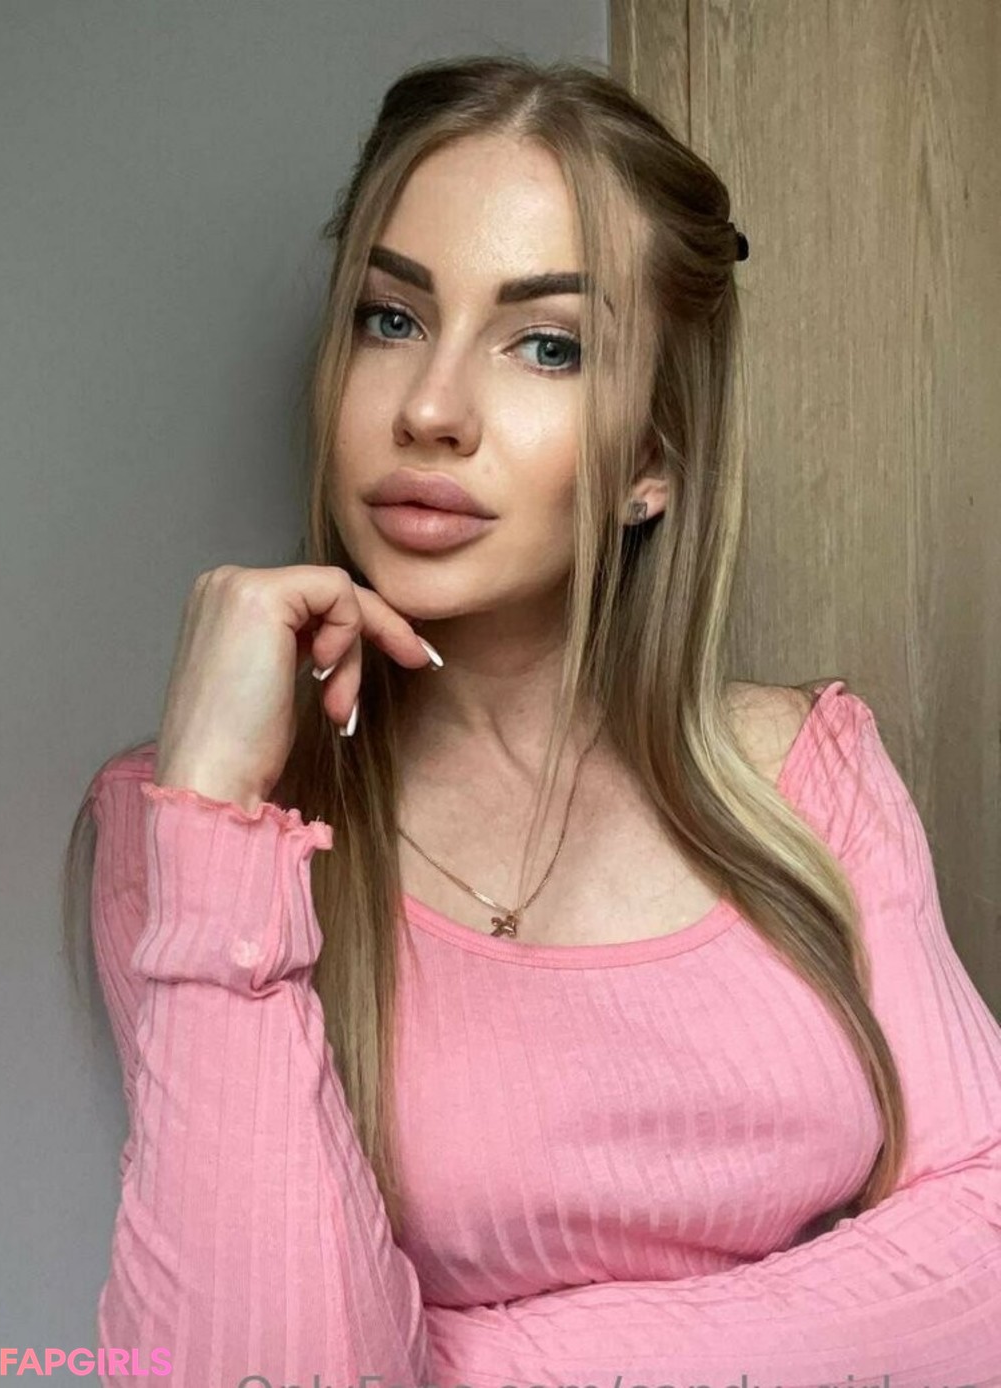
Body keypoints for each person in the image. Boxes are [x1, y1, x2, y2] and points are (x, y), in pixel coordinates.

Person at [63, 54, 1001, 1388]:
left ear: (653, 460)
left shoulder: (808, 773)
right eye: (391, 319)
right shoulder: (187, 832)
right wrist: (216, 813)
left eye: (547, 345)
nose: (430, 410)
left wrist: (454, 1366)